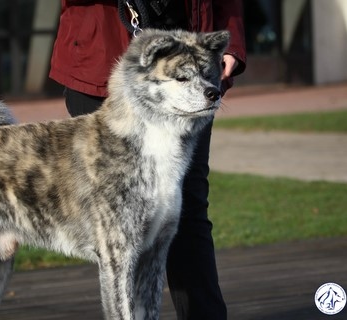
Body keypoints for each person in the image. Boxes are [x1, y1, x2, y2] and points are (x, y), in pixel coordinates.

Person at [49, 1, 246, 319]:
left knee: (187, 206)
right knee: (119, 222)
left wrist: (232, 44)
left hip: (188, 65)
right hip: (101, 63)